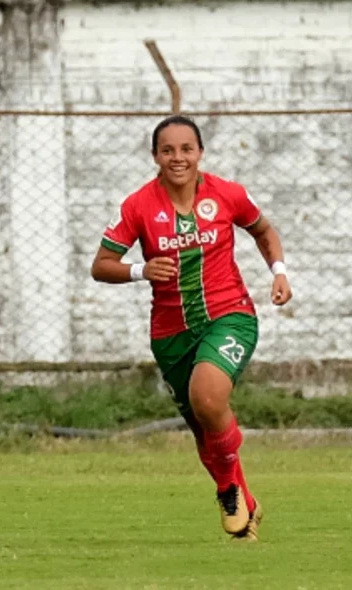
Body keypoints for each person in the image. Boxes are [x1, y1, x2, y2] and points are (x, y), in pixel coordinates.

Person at [90, 115, 292, 542]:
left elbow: (264, 230)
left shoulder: (227, 194)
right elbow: (101, 265)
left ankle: (229, 491)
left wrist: (278, 271)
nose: (177, 158)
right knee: (203, 425)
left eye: (186, 149)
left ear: (200, 153)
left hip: (229, 315)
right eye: (168, 150)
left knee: (208, 396)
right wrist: (140, 270)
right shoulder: (138, 206)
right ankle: (239, 499)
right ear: (155, 156)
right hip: (170, 334)